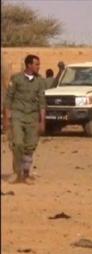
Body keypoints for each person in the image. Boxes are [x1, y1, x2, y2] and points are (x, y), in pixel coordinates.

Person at [3, 54, 46, 184]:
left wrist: (42, 121)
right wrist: (6, 118)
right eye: (36, 64)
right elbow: (8, 99)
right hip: (17, 115)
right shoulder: (16, 79)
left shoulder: (40, 81)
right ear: (29, 65)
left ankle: (26, 174)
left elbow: (42, 103)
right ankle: (17, 172)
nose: (38, 67)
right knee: (18, 143)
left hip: (32, 117)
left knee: (30, 146)